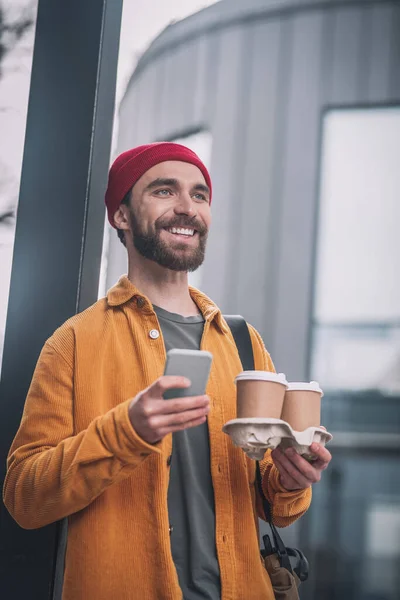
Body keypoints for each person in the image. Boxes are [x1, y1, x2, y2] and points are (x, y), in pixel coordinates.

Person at [3, 142, 331, 600]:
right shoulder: (72, 344)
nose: (187, 208)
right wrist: (125, 432)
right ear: (121, 216)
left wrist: (292, 481)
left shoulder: (243, 342)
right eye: (164, 191)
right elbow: (24, 497)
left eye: (200, 195)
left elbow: (270, 501)